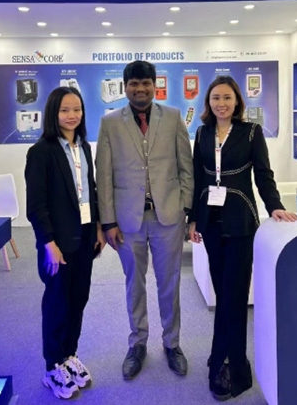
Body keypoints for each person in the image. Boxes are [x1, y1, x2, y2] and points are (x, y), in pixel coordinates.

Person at [188, 76, 297, 402]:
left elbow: (263, 174)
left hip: (240, 221)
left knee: (234, 295)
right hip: (210, 221)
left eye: (227, 98)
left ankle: (228, 365)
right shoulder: (202, 133)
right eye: (216, 98)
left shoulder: (251, 132)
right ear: (208, 102)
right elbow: (197, 177)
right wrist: (192, 218)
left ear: (237, 101)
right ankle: (225, 355)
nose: (221, 103)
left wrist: (275, 206)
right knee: (224, 292)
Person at [96, 60, 194, 380]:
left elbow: (186, 166)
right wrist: (108, 222)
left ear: (155, 85)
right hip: (127, 222)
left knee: (169, 283)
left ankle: (172, 343)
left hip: (168, 217)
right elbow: (104, 175)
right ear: (125, 87)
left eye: (146, 83)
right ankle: (137, 343)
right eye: (134, 83)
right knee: (134, 285)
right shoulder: (110, 123)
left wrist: (186, 207)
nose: (140, 88)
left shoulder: (173, 117)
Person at [25, 86, 105, 400]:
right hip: (57, 244)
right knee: (57, 304)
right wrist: (49, 243)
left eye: (77, 109)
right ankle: (52, 367)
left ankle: (69, 355)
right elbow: (36, 206)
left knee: (78, 300)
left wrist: (97, 227)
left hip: (84, 238)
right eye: (65, 110)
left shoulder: (83, 147)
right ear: (53, 113)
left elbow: (90, 190)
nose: (72, 116)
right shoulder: (41, 151)